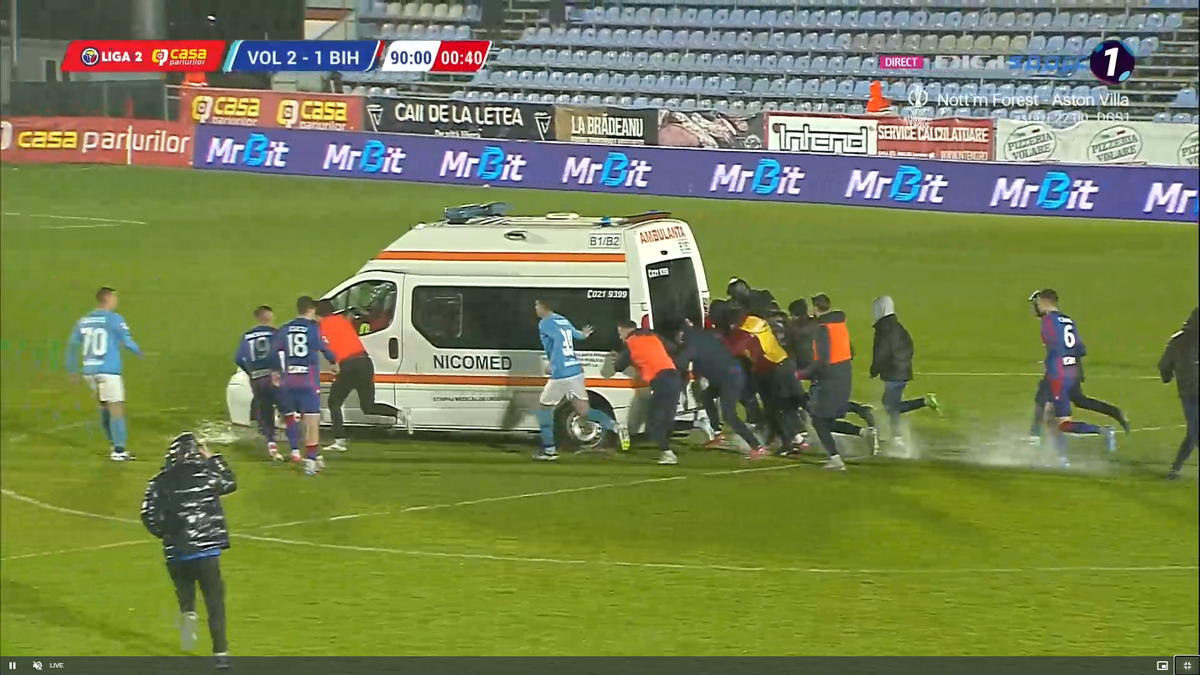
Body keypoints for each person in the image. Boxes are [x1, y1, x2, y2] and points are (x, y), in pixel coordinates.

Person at [140, 432, 236, 670]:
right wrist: (213, 458)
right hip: (206, 551)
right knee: (214, 601)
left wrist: (166, 534)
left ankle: (188, 613)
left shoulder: (159, 481)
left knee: (184, 590)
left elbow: (148, 515)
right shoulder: (208, 475)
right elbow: (230, 482)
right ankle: (221, 654)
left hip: (177, 551)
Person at [1027, 291, 1129, 442]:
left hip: (1058, 373)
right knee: (1074, 399)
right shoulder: (1068, 320)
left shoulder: (1048, 321)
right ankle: (1115, 412)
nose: (1036, 307)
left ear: (1043, 302)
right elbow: (1080, 349)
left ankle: (1103, 431)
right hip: (1072, 369)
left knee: (1061, 422)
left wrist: (1050, 363)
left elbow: (1054, 346)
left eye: (1037, 303)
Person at [534, 299, 628, 461]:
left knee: (544, 408)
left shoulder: (545, 323)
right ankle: (616, 426)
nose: (535, 309)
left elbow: (558, 342)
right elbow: (577, 335)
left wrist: (553, 365)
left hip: (561, 373)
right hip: (575, 371)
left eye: (537, 306)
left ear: (543, 307)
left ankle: (549, 450)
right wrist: (583, 335)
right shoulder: (562, 319)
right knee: (584, 411)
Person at [797, 294, 877, 470]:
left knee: (819, 421)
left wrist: (802, 374)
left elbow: (822, 360)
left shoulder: (822, 329)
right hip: (845, 373)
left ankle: (835, 460)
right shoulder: (839, 324)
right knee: (826, 419)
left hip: (829, 378)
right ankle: (863, 432)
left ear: (815, 308)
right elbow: (851, 351)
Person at [65, 287, 143, 461]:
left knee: (104, 408)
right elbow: (127, 341)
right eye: (115, 298)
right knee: (116, 409)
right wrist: (139, 351)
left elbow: (72, 345)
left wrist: (72, 370)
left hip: (90, 372)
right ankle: (119, 451)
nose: (116, 301)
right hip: (109, 371)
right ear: (107, 299)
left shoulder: (84, 321)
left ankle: (114, 445)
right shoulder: (114, 319)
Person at [316, 299, 402, 453]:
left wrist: (334, 364)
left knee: (334, 402)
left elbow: (327, 347)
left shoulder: (322, 326)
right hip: (365, 363)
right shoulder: (342, 320)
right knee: (368, 406)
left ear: (319, 315)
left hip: (350, 365)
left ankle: (340, 440)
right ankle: (399, 413)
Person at [675, 319, 767, 459]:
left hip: (728, 379)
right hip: (730, 374)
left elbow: (680, 363)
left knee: (729, 415)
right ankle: (718, 434)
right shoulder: (707, 335)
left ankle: (757, 446)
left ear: (682, 333)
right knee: (706, 396)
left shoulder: (691, 344)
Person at [725, 304, 806, 456]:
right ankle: (792, 437)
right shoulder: (755, 321)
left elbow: (734, 349)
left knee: (773, 408)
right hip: (781, 362)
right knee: (780, 405)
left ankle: (790, 442)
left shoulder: (743, 332)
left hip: (770, 369)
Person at [272, 296, 337, 474]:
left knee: (293, 417)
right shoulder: (313, 328)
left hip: (289, 381)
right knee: (312, 421)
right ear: (312, 310)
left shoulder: (285, 328)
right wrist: (333, 362)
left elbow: (273, 352)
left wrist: (276, 371)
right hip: (307, 380)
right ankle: (310, 462)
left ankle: (297, 450)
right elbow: (323, 347)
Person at [870, 296, 941, 440]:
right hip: (902, 370)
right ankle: (896, 434)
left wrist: (874, 370)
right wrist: (903, 361)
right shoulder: (898, 326)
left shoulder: (884, 329)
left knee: (891, 407)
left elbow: (881, 352)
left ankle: (924, 402)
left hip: (893, 372)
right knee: (891, 405)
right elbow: (909, 346)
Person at [614, 319, 681, 465]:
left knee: (654, 419)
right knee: (666, 417)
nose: (620, 336)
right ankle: (667, 448)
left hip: (661, 380)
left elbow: (618, 366)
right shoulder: (651, 335)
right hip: (674, 376)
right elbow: (673, 348)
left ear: (625, 330)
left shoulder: (630, 342)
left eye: (620, 332)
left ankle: (667, 453)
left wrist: (618, 357)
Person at [234, 305, 282, 461]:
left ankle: (271, 445)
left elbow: (238, 358)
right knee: (287, 408)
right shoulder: (276, 333)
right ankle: (297, 448)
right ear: (270, 317)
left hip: (257, 378)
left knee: (266, 409)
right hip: (273, 375)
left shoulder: (247, 335)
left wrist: (250, 372)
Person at [1160, 308, 1198, 480]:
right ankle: (1175, 469)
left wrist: (1166, 375)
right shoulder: (1179, 341)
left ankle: (1176, 469)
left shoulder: (1178, 340)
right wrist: (1166, 374)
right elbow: (1165, 365)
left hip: (1188, 392)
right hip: (1190, 393)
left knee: (1194, 432)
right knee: (1195, 432)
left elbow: (1164, 365)